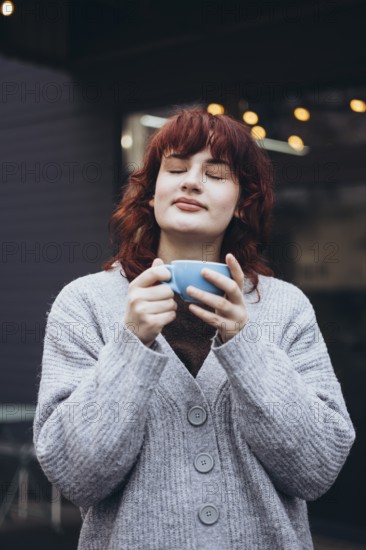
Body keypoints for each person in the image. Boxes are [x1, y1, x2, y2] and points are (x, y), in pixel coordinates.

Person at [33, 107, 356, 549]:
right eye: (176, 168)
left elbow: (317, 467)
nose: (190, 181)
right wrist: (130, 345)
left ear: (243, 201)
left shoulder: (285, 307)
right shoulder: (85, 304)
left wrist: (246, 346)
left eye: (216, 173)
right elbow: (76, 476)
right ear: (151, 193)